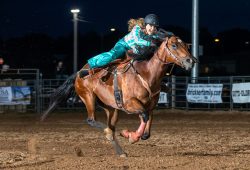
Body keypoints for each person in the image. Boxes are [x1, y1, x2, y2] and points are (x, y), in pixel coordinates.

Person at [87, 14, 160, 69]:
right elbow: (137, 40)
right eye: (151, 26)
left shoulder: (153, 34)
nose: (152, 28)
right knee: (113, 55)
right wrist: (149, 43)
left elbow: (158, 39)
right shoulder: (137, 28)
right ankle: (91, 63)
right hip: (123, 44)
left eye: (154, 27)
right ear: (146, 25)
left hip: (133, 49)